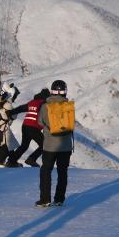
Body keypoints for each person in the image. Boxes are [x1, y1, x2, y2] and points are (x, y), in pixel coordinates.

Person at [36, 80, 74, 208]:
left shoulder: (45, 106)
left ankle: (45, 199)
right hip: (66, 146)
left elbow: (40, 122)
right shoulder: (69, 106)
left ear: (52, 91)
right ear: (64, 91)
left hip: (49, 146)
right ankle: (59, 199)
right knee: (62, 172)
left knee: (46, 171)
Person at [6, 88, 49, 167]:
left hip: (25, 126)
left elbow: (21, 108)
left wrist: (10, 112)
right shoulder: (44, 103)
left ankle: (11, 162)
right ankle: (31, 159)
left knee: (24, 146)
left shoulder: (32, 102)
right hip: (34, 127)